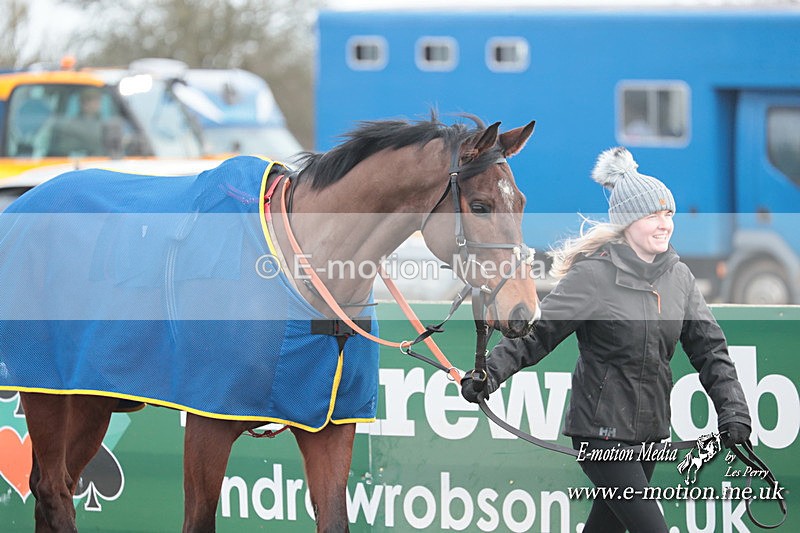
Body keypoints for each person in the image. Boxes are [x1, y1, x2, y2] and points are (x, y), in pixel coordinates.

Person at [461, 146, 752, 533]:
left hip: (650, 436)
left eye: (668, 214)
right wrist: (489, 373)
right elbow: (537, 334)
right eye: (653, 215)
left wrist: (733, 412)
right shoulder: (593, 276)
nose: (665, 224)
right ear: (628, 223)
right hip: (601, 437)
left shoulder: (679, 278)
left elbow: (711, 351)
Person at [48, 87, 107, 157]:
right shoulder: (70, 126)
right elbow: (63, 149)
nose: (98, 104)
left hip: (101, 161)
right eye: (94, 101)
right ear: (83, 103)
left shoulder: (106, 125)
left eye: (99, 101)